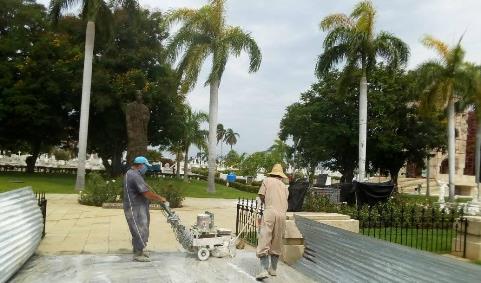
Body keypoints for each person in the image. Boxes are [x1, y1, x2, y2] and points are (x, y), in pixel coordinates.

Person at [123, 156, 167, 262]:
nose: (146, 169)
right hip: (135, 207)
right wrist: (160, 198)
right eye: (146, 166)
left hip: (137, 206)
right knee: (140, 229)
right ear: (140, 165)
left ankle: (139, 249)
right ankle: (138, 253)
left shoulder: (132, 173)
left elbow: (144, 189)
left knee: (140, 228)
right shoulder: (134, 176)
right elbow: (146, 193)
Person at [256, 164, 289, 280]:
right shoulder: (285, 187)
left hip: (270, 212)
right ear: (280, 176)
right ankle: (273, 269)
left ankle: (264, 269)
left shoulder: (267, 180)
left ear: (272, 174)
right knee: (277, 241)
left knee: (265, 238)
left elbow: (261, 195)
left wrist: (262, 201)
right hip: (282, 215)